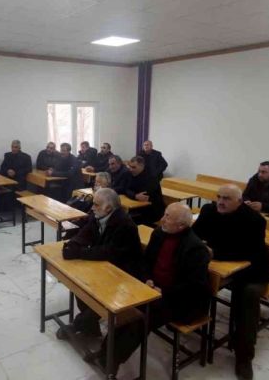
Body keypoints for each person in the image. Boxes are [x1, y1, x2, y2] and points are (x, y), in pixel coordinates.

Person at [99, 203, 212, 374]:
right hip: (153, 290)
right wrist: (148, 278)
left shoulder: (195, 248)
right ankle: (104, 354)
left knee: (141, 318)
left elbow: (194, 285)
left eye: (168, 217)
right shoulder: (159, 234)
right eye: (164, 214)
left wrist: (163, 292)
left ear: (181, 226)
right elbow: (146, 261)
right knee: (125, 309)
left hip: (180, 300)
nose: (162, 219)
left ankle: (111, 362)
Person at [192, 185, 269, 380]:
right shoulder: (209, 211)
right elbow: (194, 234)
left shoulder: (255, 220)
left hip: (252, 270)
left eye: (226, 198)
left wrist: (214, 253)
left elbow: (249, 251)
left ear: (240, 201)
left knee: (247, 296)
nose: (220, 201)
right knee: (193, 273)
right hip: (220, 265)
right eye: (218, 196)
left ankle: (244, 357)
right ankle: (191, 316)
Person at [58, 189, 143, 343]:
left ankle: (78, 325)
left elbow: (109, 252)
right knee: (80, 282)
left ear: (108, 208)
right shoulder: (98, 216)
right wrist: (72, 245)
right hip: (107, 265)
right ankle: (90, 328)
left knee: (97, 296)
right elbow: (85, 234)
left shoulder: (125, 224)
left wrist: (79, 253)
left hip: (125, 272)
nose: (92, 207)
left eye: (96, 204)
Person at [124, 156, 165, 225]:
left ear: (142, 166)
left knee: (128, 222)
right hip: (138, 207)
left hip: (152, 210)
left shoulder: (151, 177)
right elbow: (125, 189)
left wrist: (133, 194)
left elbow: (144, 196)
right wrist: (134, 195)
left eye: (134, 167)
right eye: (130, 167)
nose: (131, 169)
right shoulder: (130, 174)